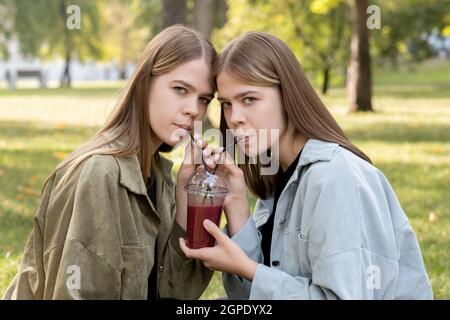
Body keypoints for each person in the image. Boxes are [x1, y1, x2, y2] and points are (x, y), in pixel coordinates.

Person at [179, 32, 433, 300]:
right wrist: (237, 203)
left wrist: (250, 269)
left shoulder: (335, 177)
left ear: (287, 95)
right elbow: (248, 297)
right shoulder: (278, 175)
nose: (234, 118)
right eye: (227, 104)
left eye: (249, 99)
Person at [3, 25, 216, 300]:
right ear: (144, 83)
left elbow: (176, 291)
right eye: (180, 89)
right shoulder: (97, 173)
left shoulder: (159, 176)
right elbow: (73, 293)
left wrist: (187, 194)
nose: (194, 109)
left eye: (204, 99)